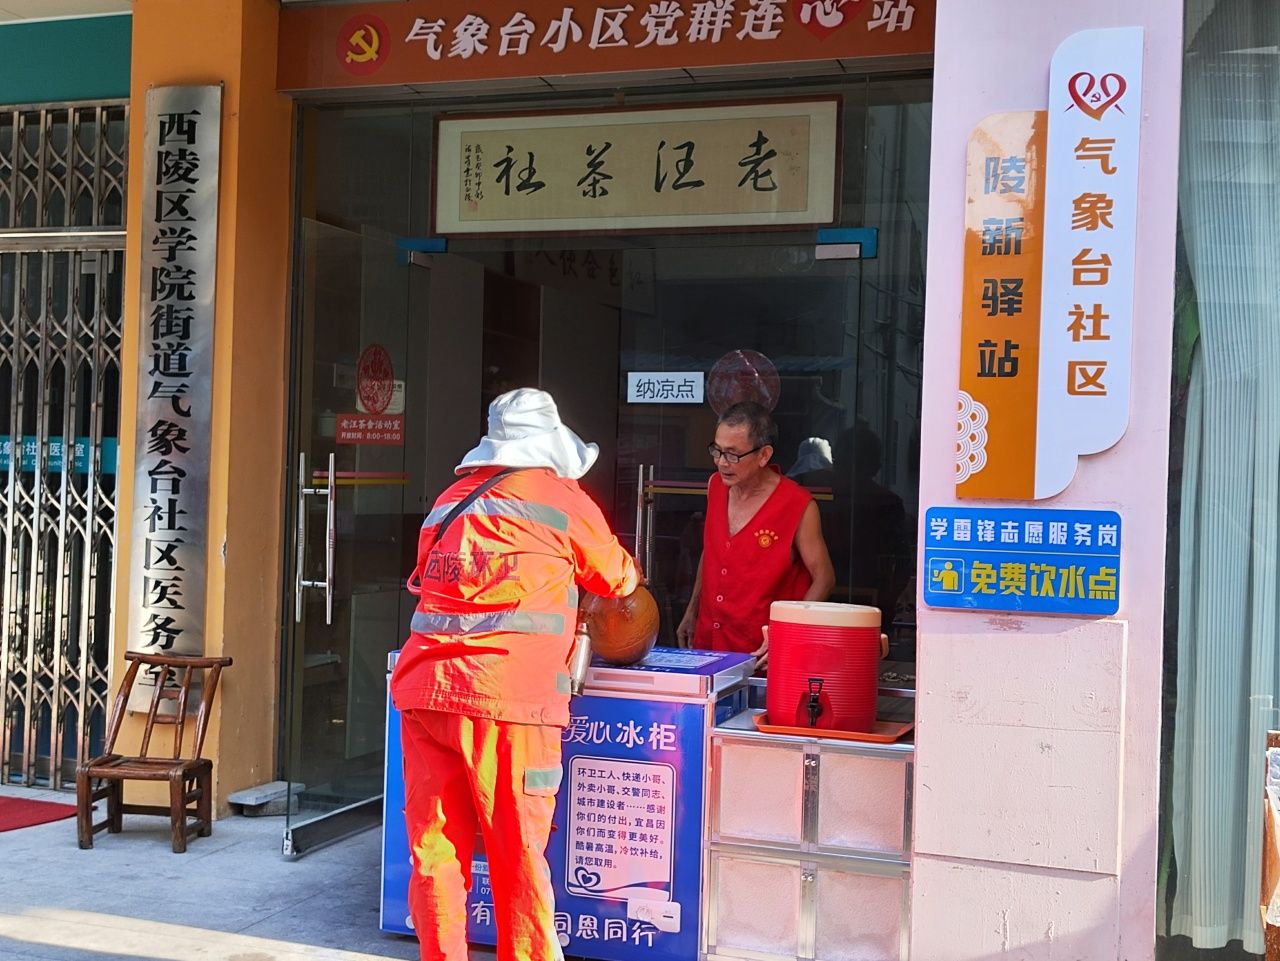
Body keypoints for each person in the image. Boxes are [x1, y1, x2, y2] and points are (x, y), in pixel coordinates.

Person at [390, 388, 640, 961]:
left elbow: (429, 581)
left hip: (426, 691)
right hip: (510, 702)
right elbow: (618, 579)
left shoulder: (449, 501)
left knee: (435, 854)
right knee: (518, 854)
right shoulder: (560, 498)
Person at [676, 401, 835, 667]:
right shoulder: (716, 486)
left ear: (763, 455)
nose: (721, 463)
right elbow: (712, 550)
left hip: (761, 652)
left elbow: (824, 578)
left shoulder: (797, 504)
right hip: (709, 642)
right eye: (717, 450)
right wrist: (693, 610)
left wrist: (788, 633)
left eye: (733, 455)